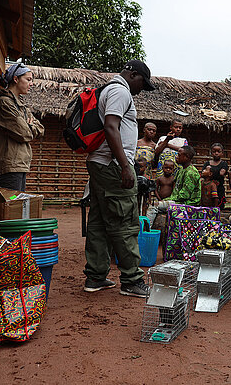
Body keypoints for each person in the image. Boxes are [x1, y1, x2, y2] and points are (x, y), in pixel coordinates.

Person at [83, 60, 155, 297]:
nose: (141, 89)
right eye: (142, 83)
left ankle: (96, 276)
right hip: (113, 166)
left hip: (101, 164)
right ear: (133, 75)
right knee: (124, 221)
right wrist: (125, 165)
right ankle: (132, 280)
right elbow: (111, 127)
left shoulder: (109, 89)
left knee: (100, 221)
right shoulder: (120, 91)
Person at [0, 63, 45, 191]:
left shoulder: (20, 106)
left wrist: (28, 125)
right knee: (12, 205)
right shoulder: (4, 103)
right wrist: (29, 125)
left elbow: (41, 128)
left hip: (19, 165)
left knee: (17, 206)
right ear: (16, 79)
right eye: (28, 79)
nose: (31, 84)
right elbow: (25, 133)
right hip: (9, 166)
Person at [147, 146, 201, 238]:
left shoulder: (191, 173)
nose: (176, 157)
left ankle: (146, 232)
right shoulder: (181, 170)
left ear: (187, 157)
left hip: (186, 204)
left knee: (153, 206)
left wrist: (166, 200)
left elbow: (184, 195)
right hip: (179, 201)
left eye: (179, 155)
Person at [203, 143, 228, 209]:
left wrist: (209, 171)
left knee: (218, 208)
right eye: (214, 152)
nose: (216, 153)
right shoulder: (207, 163)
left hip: (219, 190)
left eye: (218, 152)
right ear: (211, 153)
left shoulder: (224, 164)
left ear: (222, 153)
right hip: (208, 191)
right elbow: (203, 174)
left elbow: (221, 173)